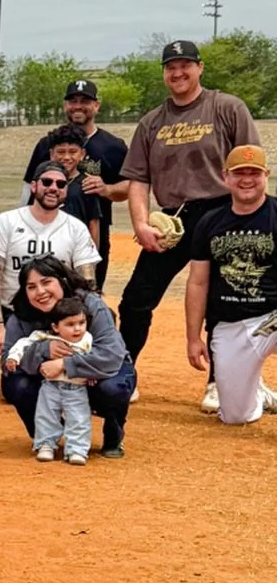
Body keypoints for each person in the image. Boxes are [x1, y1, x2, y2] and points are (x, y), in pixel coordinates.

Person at [119, 39, 259, 409]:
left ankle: (220, 382)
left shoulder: (226, 107)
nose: (177, 73)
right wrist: (141, 224)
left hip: (222, 213)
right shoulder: (152, 121)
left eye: (185, 65)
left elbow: (249, 166)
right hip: (172, 219)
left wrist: (248, 215)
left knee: (223, 300)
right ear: (164, 73)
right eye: (170, 67)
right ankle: (123, 372)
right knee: (136, 298)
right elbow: (138, 179)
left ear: (199, 68)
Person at [0, 256, 135, 459]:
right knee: (16, 385)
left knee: (113, 388)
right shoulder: (21, 315)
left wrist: (64, 364)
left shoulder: (90, 305)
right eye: (31, 287)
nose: (40, 292)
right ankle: (48, 435)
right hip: (50, 384)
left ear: (62, 280)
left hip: (92, 377)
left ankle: (113, 433)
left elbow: (112, 354)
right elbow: (6, 363)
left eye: (46, 282)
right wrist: (43, 351)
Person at [185, 145, 277, 426]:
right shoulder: (210, 222)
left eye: (254, 173)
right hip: (231, 324)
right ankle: (255, 394)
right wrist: (193, 337)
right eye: (239, 173)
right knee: (235, 417)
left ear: (267, 176)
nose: (246, 179)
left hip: (273, 317)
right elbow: (198, 282)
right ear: (226, 177)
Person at [0, 162, 100, 358]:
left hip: (60, 315)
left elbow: (87, 281)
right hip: (15, 314)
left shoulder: (76, 227)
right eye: (47, 182)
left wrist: (87, 319)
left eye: (61, 184)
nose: (54, 188)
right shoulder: (7, 221)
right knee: (18, 385)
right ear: (34, 186)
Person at [22, 79, 127, 292]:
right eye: (73, 101)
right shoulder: (48, 143)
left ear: (96, 106)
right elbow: (29, 188)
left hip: (92, 227)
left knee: (87, 292)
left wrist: (106, 189)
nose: (78, 106)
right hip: (45, 231)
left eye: (85, 101)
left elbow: (130, 187)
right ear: (65, 106)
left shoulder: (113, 146)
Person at [6, 296, 95, 464]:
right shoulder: (44, 337)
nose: (77, 329)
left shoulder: (88, 339)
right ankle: (46, 444)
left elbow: (94, 360)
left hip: (77, 388)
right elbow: (23, 343)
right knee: (45, 416)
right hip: (50, 386)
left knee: (79, 418)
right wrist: (13, 357)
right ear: (55, 327)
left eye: (81, 323)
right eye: (69, 324)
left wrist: (92, 375)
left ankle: (77, 450)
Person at [34, 123, 103, 246]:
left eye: (72, 152)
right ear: (51, 154)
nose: (66, 157)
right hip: (46, 247)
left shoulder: (86, 184)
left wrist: (92, 256)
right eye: (60, 152)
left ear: (82, 154)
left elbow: (93, 224)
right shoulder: (43, 182)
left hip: (76, 248)